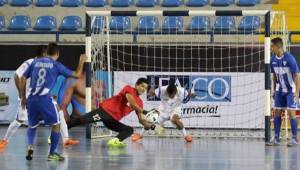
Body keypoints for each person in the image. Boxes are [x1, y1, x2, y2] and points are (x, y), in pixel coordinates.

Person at [21, 43, 86, 161]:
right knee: (56, 124)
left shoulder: (35, 62)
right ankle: (52, 153)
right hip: (44, 99)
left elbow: (22, 77)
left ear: (46, 52)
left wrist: (22, 97)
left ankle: (30, 147)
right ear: (57, 53)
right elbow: (77, 75)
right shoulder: (56, 65)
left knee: (32, 126)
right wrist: (81, 61)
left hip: (31, 99)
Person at [67, 78, 155, 147]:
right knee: (82, 120)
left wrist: (149, 125)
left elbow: (141, 119)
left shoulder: (140, 103)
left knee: (129, 130)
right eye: (142, 86)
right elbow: (132, 102)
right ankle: (63, 129)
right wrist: (145, 111)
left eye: (145, 88)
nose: (143, 89)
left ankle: (115, 140)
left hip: (112, 120)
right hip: (105, 112)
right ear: (136, 85)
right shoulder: (129, 89)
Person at [0, 46, 47, 149]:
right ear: (43, 53)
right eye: (47, 54)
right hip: (27, 98)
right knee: (19, 121)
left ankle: (63, 139)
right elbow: (17, 76)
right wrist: (22, 96)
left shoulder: (44, 65)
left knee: (56, 113)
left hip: (38, 97)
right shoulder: (29, 63)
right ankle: (4, 141)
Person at [266, 37, 300, 147]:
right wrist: (273, 90)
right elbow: (274, 76)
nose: (271, 48)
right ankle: (276, 137)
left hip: (291, 90)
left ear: (278, 47)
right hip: (279, 90)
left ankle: (294, 139)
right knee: (276, 112)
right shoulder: (272, 60)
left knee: (291, 113)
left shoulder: (290, 58)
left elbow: (297, 76)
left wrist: (296, 92)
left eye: (272, 46)